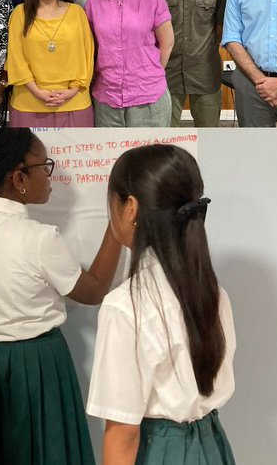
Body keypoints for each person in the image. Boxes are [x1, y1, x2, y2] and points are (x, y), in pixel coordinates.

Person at [0, 128, 123, 465]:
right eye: (45, 166)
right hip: (37, 362)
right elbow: (95, 290)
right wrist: (117, 224)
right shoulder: (40, 239)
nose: (50, 176)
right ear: (19, 178)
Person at [87, 144, 236, 465]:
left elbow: (122, 431)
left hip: (159, 450)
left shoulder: (125, 306)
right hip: (211, 444)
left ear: (130, 208)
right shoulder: (212, 290)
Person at [84, 0, 175, 127]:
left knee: (150, 155)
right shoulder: (94, 2)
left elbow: (167, 43)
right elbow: (91, 46)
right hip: (107, 97)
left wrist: (151, 73)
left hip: (148, 95)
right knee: (111, 155)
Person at [5, 0, 95, 127]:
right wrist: (37, 92)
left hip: (74, 102)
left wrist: (73, 90)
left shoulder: (77, 13)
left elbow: (87, 57)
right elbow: (16, 60)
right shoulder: (20, 13)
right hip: (28, 103)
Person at [156, 0, 229, 127]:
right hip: (166, 74)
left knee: (208, 137)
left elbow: (221, 27)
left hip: (205, 73)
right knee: (163, 136)